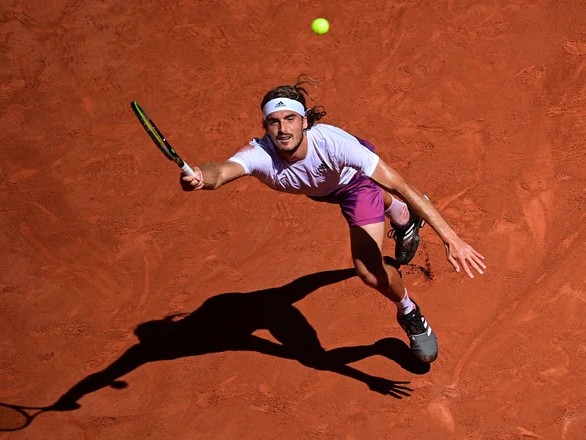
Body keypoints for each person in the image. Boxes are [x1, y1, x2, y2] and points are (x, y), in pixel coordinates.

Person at [179, 77, 486, 363]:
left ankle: (408, 309)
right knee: (348, 204)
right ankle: (401, 217)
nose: (282, 130)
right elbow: (220, 171)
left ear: (305, 121)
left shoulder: (334, 144)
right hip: (324, 189)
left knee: (369, 272)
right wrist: (200, 177)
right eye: (274, 122)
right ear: (265, 126)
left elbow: (403, 185)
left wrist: (451, 238)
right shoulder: (260, 154)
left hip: (356, 187)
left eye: (290, 120)